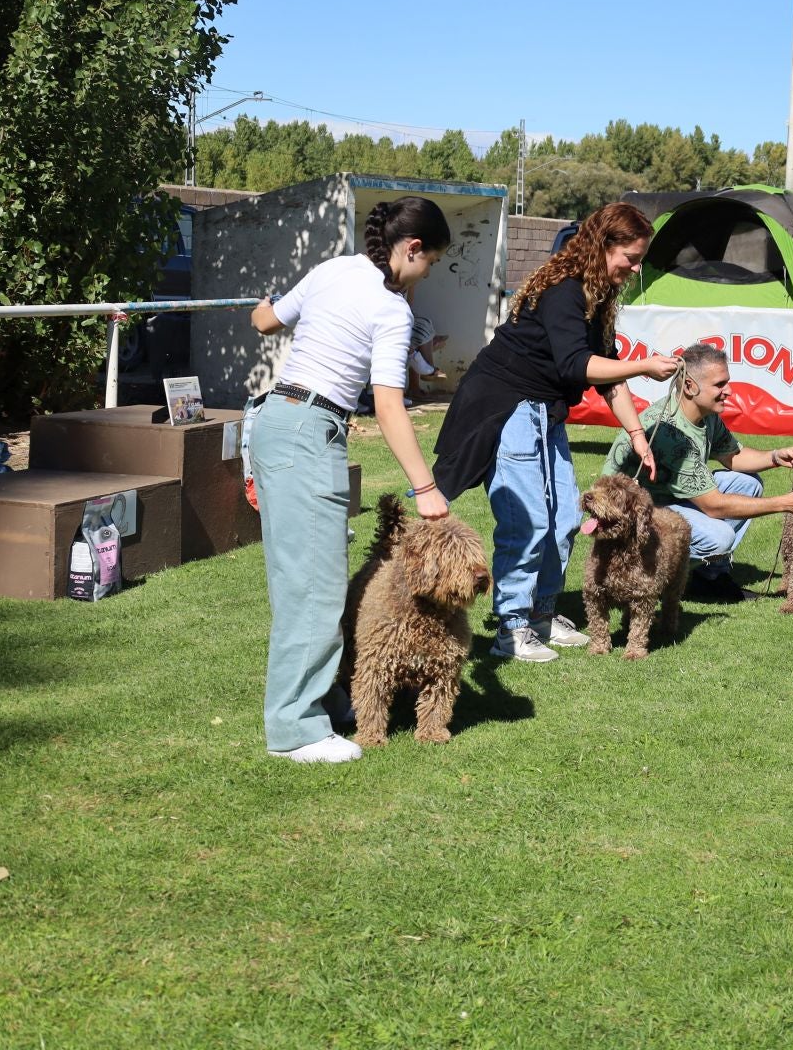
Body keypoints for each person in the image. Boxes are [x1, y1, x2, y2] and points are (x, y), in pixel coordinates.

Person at [249, 196, 453, 764]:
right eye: (431, 262)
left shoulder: (332, 268)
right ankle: (295, 729)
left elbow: (264, 321)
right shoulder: (391, 309)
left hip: (277, 422)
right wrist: (425, 488)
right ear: (411, 249)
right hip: (309, 431)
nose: (428, 274)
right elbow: (388, 404)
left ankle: (326, 698)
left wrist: (266, 301)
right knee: (313, 587)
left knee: (307, 575)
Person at [433, 203, 680, 663]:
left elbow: (608, 376)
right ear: (603, 246)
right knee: (527, 521)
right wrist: (645, 365)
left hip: (546, 411)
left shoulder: (597, 298)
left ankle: (542, 614)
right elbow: (575, 365)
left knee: (567, 517)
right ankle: (511, 628)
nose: (636, 268)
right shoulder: (563, 290)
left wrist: (637, 435)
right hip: (506, 407)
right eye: (631, 257)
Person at [602, 343, 793, 602]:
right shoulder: (671, 435)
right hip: (629, 516)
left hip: (663, 499)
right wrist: (785, 504)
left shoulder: (704, 414)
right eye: (720, 385)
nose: (729, 391)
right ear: (690, 386)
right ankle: (651, 575)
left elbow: (732, 456)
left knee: (748, 484)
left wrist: (775, 457)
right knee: (719, 537)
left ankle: (709, 578)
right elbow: (714, 506)